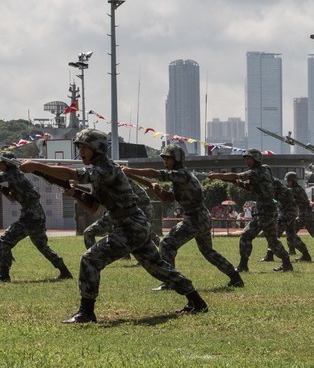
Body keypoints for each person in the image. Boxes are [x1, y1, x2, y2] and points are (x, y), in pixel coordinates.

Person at [20, 130, 207, 323]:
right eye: (80, 147)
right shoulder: (99, 170)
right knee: (158, 267)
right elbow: (93, 206)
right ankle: (197, 301)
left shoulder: (106, 168)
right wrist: (75, 193)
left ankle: (86, 312)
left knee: (90, 259)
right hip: (132, 224)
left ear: (97, 149)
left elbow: (74, 174)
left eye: (85, 147)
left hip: (131, 225)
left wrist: (37, 165)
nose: (81, 151)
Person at [122, 145, 243, 290]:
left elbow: (156, 174)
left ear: (177, 159)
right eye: (164, 159)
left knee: (167, 243)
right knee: (208, 252)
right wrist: (157, 190)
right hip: (200, 217)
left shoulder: (182, 174)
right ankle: (235, 277)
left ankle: (170, 281)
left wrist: (129, 170)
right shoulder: (180, 177)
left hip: (195, 217)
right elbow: (169, 197)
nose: (165, 162)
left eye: (168, 159)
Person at [207, 148, 293, 273]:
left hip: (265, 211)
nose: (246, 161)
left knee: (246, 236)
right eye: (246, 159)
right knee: (272, 240)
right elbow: (254, 188)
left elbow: (236, 176)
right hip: (268, 209)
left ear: (256, 159)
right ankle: (287, 263)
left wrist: (216, 175)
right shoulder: (265, 170)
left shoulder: (256, 172)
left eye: (249, 158)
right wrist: (240, 184)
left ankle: (243, 265)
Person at [0, 152, 72, 283]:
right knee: (42, 247)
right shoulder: (15, 176)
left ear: (7, 163)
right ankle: (65, 271)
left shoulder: (12, 174)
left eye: (2, 163)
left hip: (30, 216)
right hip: (35, 214)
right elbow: (12, 198)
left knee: (4, 242)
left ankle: (4, 276)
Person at [259, 176, 312, 264]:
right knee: (291, 235)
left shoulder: (275, 184)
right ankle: (306, 255)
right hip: (289, 211)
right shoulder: (275, 183)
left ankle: (271, 255)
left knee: (275, 233)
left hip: (288, 212)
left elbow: (269, 194)